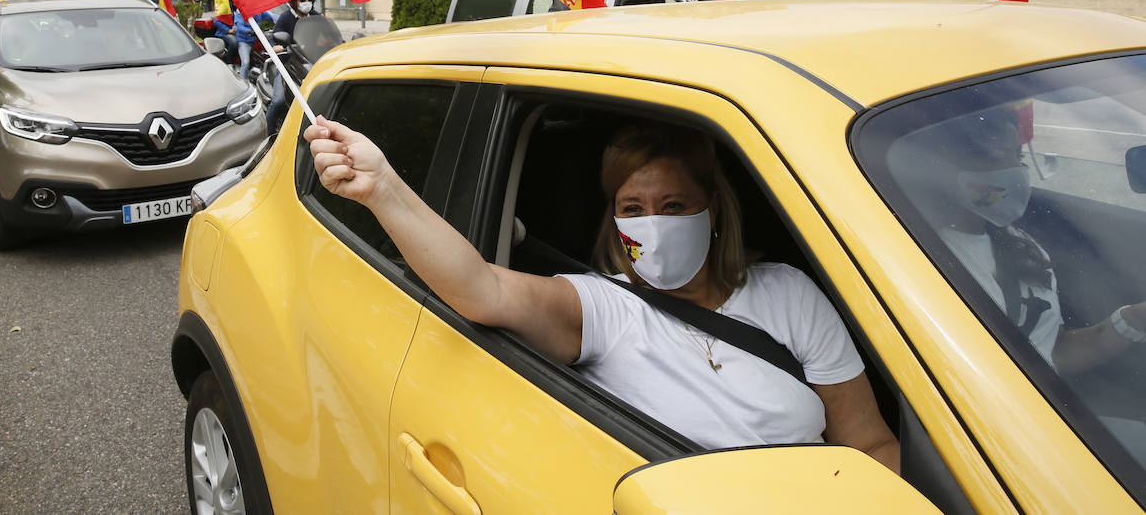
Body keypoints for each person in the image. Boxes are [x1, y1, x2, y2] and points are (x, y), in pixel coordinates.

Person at [305, 116, 900, 470]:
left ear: (712, 210)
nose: (654, 224)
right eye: (632, 209)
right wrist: (382, 188)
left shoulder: (789, 293)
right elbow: (482, 289)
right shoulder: (605, 308)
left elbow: (870, 443)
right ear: (614, 220)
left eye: (674, 206)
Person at [921, 108, 1146, 376]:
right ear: (951, 168)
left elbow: (1053, 352)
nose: (1015, 171)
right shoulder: (932, 262)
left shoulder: (1020, 243)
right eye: (997, 157)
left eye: (1017, 156)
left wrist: (1135, 319)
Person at [265, 0, 319, 132]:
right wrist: (275, 46)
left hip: (312, 62)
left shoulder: (315, 16)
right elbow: (274, 36)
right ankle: (267, 133)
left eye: (309, 0)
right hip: (287, 64)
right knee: (278, 101)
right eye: (303, 0)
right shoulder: (285, 18)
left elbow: (327, 33)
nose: (306, 2)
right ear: (295, 2)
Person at [232, 8, 274, 81]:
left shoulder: (259, 10)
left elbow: (271, 18)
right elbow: (240, 26)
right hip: (244, 40)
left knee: (271, 57)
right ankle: (243, 82)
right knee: (245, 62)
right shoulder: (240, 12)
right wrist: (250, 31)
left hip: (257, 39)